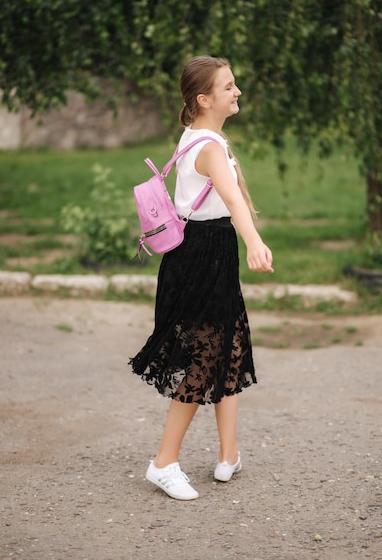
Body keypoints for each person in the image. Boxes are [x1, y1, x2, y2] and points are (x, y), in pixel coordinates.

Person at [129, 55, 274, 500]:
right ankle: (164, 462)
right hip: (203, 253)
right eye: (229, 86)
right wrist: (253, 241)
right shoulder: (210, 147)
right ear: (204, 98)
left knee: (227, 346)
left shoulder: (199, 135)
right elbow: (231, 198)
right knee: (203, 358)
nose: (238, 92)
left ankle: (228, 454)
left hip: (206, 250)